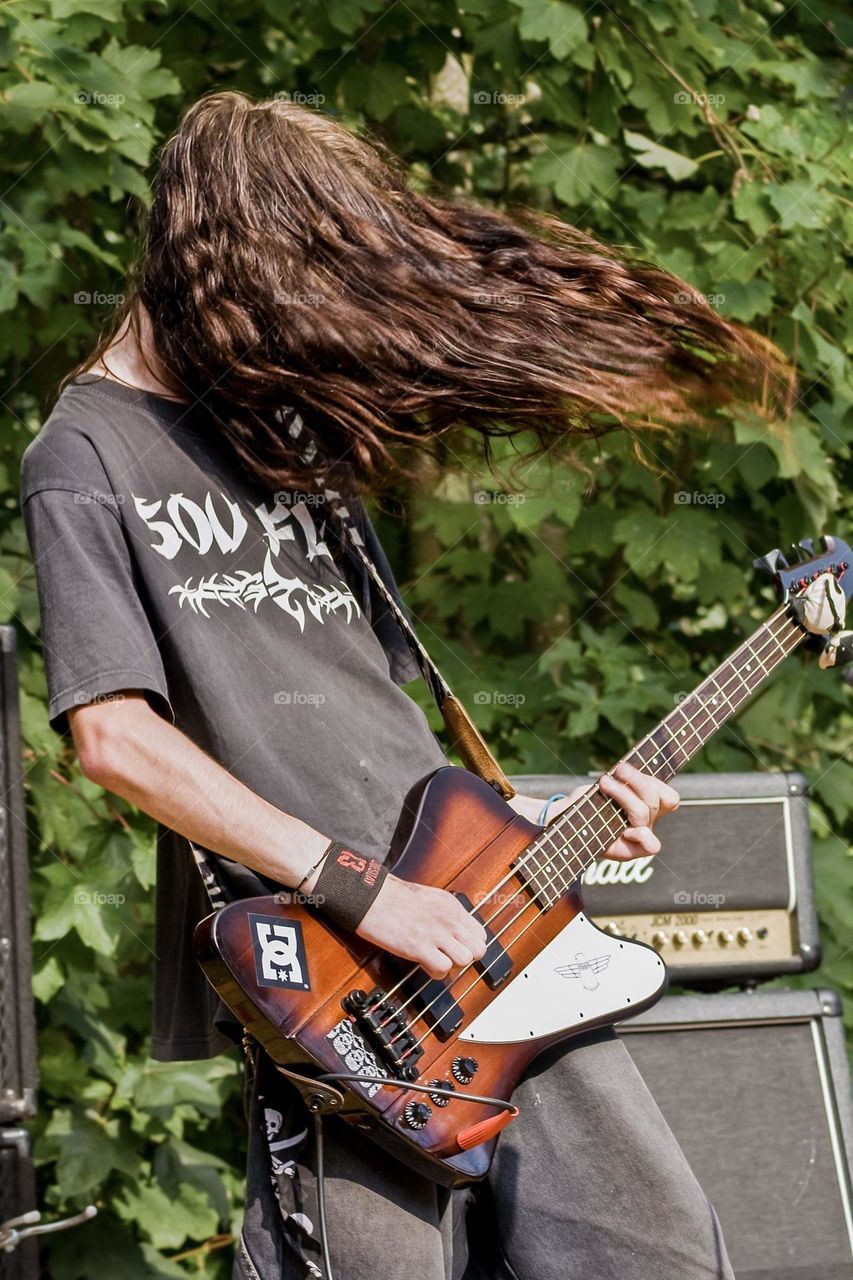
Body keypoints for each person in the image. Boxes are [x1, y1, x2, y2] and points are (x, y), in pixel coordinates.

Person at [21, 91, 790, 1280]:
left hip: (481, 916)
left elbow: (390, 725)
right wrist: (357, 888)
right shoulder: (83, 453)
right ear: (203, 252)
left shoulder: (283, 430)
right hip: (340, 973)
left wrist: (534, 827)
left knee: (656, 1242)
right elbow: (117, 738)